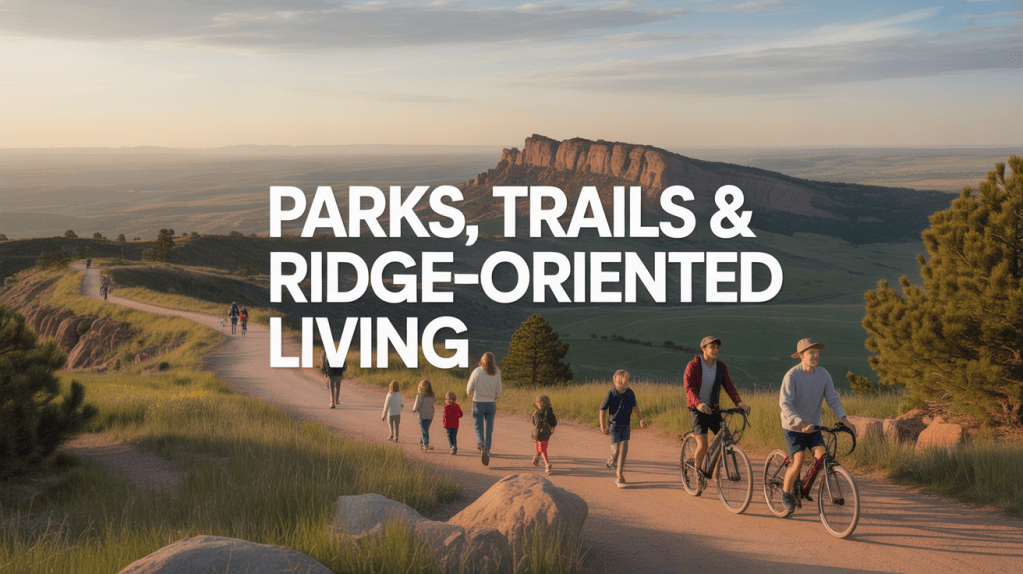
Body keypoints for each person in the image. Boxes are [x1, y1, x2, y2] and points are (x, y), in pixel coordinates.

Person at [778, 338, 858, 514]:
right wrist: (799, 422)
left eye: (817, 352)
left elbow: (833, 399)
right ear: (801, 355)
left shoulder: (823, 374)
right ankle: (785, 493)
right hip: (793, 427)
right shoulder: (792, 375)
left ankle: (804, 487)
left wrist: (845, 420)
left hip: (813, 427)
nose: (815, 356)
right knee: (798, 461)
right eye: (811, 353)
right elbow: (785, 403)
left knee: (822, 458)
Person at [683, 336, 751, 477]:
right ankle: (696, 473)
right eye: (712, 347)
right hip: (697, 409)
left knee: (725, 439)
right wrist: (699, 403)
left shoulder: (720, 367)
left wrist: (739, 402)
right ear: (703, 349)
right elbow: (689, 389)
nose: (715, 350)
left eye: (717, 348)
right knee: (702, 445)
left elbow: (729, 386)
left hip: (713, 409)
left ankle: (714, 472)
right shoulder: (693, 366)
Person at [599, 369, 647, 488]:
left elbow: (635, 408)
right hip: (614, 426)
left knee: (624, 451)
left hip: (626, 426)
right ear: (619, 382)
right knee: (616, 451)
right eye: (627, 380)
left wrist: (641, 419)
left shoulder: (630, 393)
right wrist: (602, 426)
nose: (629, 382)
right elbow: (602, 409)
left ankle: (619, 475)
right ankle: (612, 458)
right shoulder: (611, 393)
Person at [466, 351, 503, 466]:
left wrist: (473, 393)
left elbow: (468, 390)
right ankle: (488, 449)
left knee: (478, 428)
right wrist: (494, 397)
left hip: (478, 403)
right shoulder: (497, 372)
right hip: (491, 404)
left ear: (482, 361)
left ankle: (482, 446)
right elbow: (499, 391)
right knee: (489, 429)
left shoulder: (477, 371)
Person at [531, 394, 558, 475]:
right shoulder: (550, 413)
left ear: (539, 404)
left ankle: (547, 464)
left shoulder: (536, 413)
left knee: (542, 449)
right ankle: (536, 458)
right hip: (546, 434)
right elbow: (554, 423)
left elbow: (534, 422)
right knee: (542, 448)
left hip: (537, 434)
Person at [412, 379, 436, 452]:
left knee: (424, 430)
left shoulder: (420, 396)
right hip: (430, 416)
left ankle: (426, 444)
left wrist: (414, 409)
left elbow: (417, 404)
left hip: (422, 416)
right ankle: (423, 442)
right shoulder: (432, 396)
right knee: (425, 429)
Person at [442, 390, 463, 455]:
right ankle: (455, 446)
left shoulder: (446, 407)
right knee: (454, 436)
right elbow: (461, 414)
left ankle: (452, 447)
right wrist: (456, 416)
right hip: (455, 424)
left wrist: (444, 425)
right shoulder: (457, 406)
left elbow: (445, 417)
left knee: (449, 436)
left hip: (448, 424)